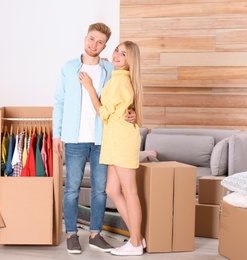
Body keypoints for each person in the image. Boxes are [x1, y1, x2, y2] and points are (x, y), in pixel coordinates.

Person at [53, 22, 136, 254]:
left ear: (105, 46)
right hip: (75, 139)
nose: (94, 45)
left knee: (101, 190)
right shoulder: (69, 68)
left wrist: (132, 111)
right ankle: (71, 235)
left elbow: (124, 97)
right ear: (85, 38)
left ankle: (95, 235)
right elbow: (59, 102)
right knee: (71, 189)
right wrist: (57, 134)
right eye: (91, 39)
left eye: (100, 42)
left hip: (103, 139)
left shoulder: (110, 70)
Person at [79, 40, 146, 256]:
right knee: (111, 190)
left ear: (130, 61)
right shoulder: (118, 77)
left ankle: (135, 243)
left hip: (121, 141)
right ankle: (138, 239)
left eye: (123, 54)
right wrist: (109, 65)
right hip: (116, 140)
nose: (116, 55)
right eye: (116, 50)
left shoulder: (119, 81)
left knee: (131, 191)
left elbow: (104, 113)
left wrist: (89, 87)